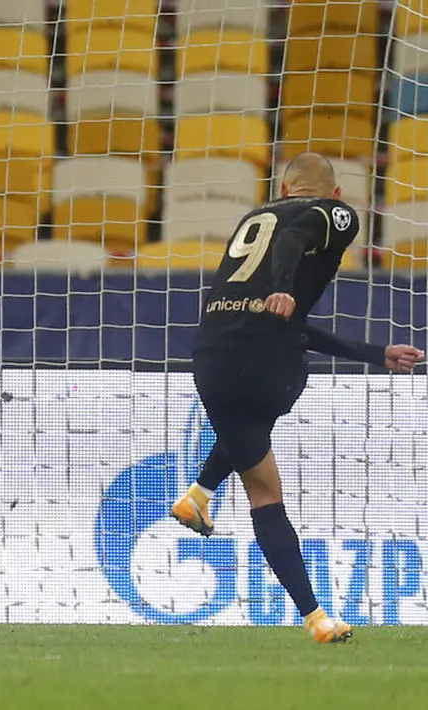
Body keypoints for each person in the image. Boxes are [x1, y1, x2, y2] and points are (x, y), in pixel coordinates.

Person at [170, 152, 424, 643]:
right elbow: (293, 240)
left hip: (211, 360)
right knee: (265, 493)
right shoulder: (335, 214)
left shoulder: (252, 217)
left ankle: (198, 495)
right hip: (268, 367)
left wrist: (374, 354)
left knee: (245, 429)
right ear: (333, 195)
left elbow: (288, 322)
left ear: (282, 190)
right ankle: (316, 618)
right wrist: (286, 288)